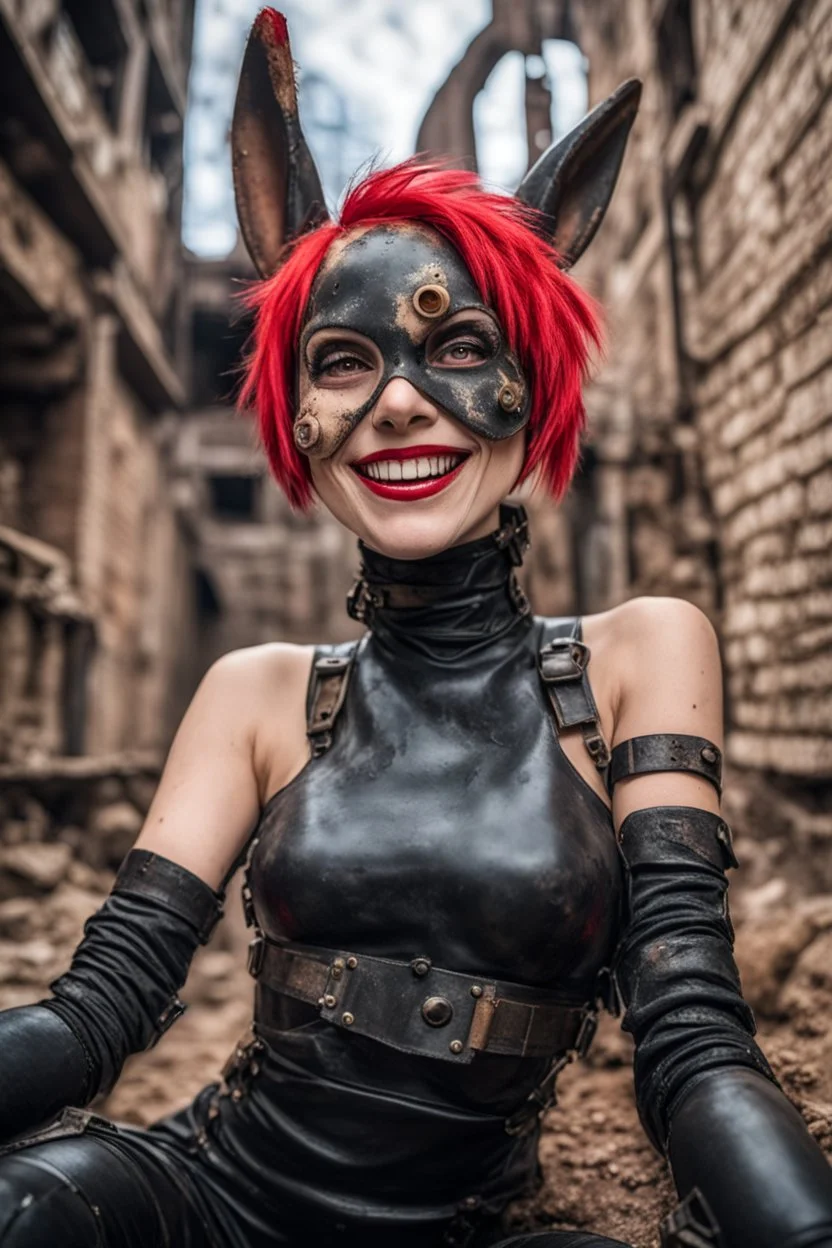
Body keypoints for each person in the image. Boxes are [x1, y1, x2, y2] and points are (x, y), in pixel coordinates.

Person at [1, 10, 831, 1247]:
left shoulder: (641, 657)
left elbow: (691, 1033)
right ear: (298, 414)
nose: (398, 403)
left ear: (529, 389)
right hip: (212, 1201)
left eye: (456, 348)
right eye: (343, 360)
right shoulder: (255, 693)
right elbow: (103, 1007)